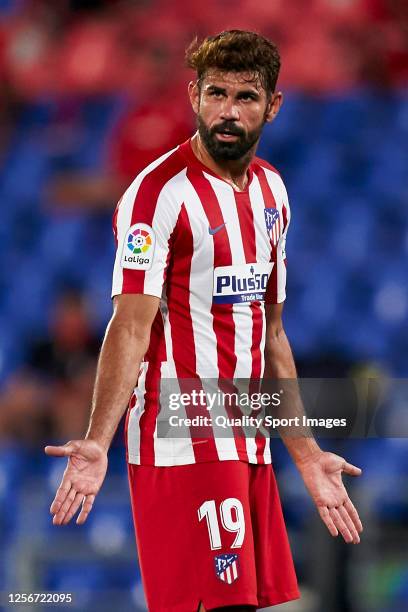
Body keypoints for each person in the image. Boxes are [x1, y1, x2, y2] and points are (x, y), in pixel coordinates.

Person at [45, 30, 363, 612]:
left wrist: (306, 453)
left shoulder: (272, 192)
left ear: (273, 105)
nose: (228, 111)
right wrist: (97, 441)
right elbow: (130, 326)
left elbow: (271, 336)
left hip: (248, 442)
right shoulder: (155, 198)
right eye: (216, 93)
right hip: (182, 441)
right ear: (193, 95)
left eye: (245, 97)